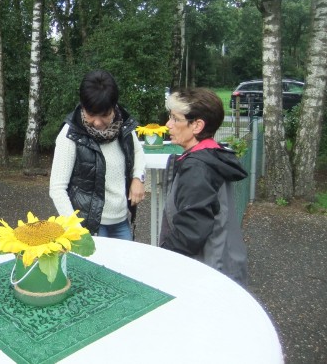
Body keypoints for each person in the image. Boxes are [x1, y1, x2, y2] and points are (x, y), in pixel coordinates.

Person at [159, 87, 248, 286]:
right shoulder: (212, 155)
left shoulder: (198, 167)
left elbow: (190, 232)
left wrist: (161, 258)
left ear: (197, 125)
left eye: (175, 119)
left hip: (207, 275)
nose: (168, 124)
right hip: (222, 266)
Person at [49, 69, 146, 240]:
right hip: (88, 228)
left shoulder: (123, 124)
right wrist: (77, 231)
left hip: (121, 221)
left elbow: (138, 152)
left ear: (114, 107)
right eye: (91, 115)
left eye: (105, 115)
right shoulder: (70, 135)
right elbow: (57, 189)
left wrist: (138, 178)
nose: (97, 122)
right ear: (83, 106)